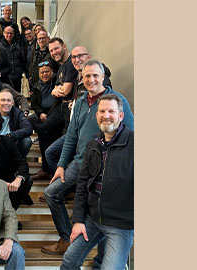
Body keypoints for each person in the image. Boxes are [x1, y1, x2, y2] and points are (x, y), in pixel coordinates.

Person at [41, 60, 134, 256]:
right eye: (87, 76)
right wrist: (60, 165)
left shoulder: (117, 100)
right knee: (51, 193)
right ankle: (66, 237)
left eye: (95, 75)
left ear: (102, 77)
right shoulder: (81, 101)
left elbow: (132, 134)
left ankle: (101, 261)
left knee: (103, 212)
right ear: (82, 79)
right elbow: (72, 136)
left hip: (107, 166)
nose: (91, 79)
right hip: (80, 162)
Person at [61, 94, 133, 270]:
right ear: (96, 115)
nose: (106, 115)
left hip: (120, 224)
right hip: (93, 219)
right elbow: (83, 184)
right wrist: (78, 220)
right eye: (102, 111)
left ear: (121, 116)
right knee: (69, 261)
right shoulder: (93, 144)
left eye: (111, 111)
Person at [44, 46, 114, 174]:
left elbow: (103, 99)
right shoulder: (78, 77)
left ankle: (69, 185)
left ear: (89, 57)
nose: (76, 60)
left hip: (91, 135)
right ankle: (66, 184)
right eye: (74, 57)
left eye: (80, 56)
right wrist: (75, 103)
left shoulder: (101, 80)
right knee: (51, 153)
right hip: (74, 127)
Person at [29, 62, 64, 181]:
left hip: (56, 113)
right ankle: (44, 135)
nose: (44, 74)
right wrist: (40, 113)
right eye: (42, 72)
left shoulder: (58, 82)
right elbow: (33, 103)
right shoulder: (36, 86)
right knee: (30, 120)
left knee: (44, 131)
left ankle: (47, 169)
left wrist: (48, 116)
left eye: (47, 71)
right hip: (43, 114)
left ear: (52, 72)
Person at [0, 89, 33, 158]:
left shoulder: (18, 113)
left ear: (12, 103)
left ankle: (18, 161)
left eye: (8, 100)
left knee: (27, 141)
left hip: (12, 144)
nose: (6, 103)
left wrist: (10, 136)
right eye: (3, 100)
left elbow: (28, 129)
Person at [0, 26, 24, 92]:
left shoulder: (17, 46)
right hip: (6, 78)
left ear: (13, 34)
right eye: (7, 33)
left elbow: (21, 60)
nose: (9, 35)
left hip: (17, 78)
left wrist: (20, 71)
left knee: (17, 97)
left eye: (11, 33)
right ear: (3, 33)